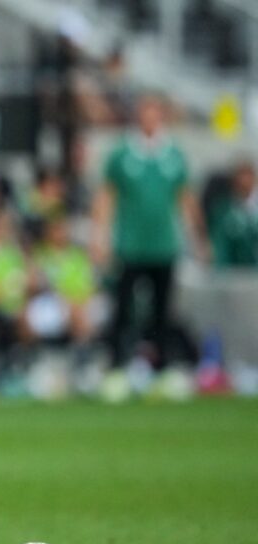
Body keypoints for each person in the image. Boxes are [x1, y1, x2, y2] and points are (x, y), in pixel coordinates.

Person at [91, 93, 209, 370]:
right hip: (130, 244)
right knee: (122, 310)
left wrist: (200, 239)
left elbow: (186, 198)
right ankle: (116, 366)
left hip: (163, 245)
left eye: (155, 112)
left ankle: (162, 367)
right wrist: (100, 236)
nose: (150, 117)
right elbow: (107, 197)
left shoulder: (173, 153)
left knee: (162, 312)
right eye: (145, 111)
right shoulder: (122, 153)